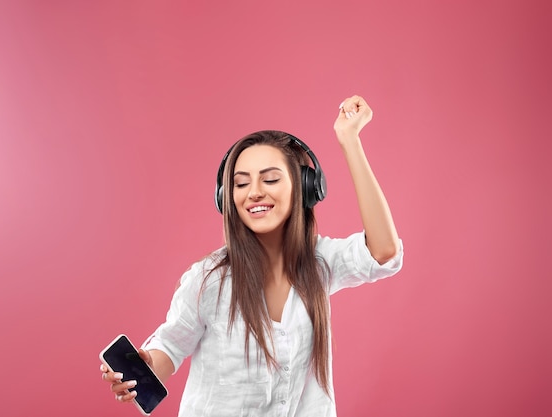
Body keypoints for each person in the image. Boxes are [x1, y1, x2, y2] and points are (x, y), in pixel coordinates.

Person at [100, 95, 403, 416]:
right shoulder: (207, 279)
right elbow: (170, 347)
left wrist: (349, 140)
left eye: (270, 179)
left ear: (306, 187)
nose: (254, 191)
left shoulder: (319, 261)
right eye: (241, 183)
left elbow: (383, 251)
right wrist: (147, 365)